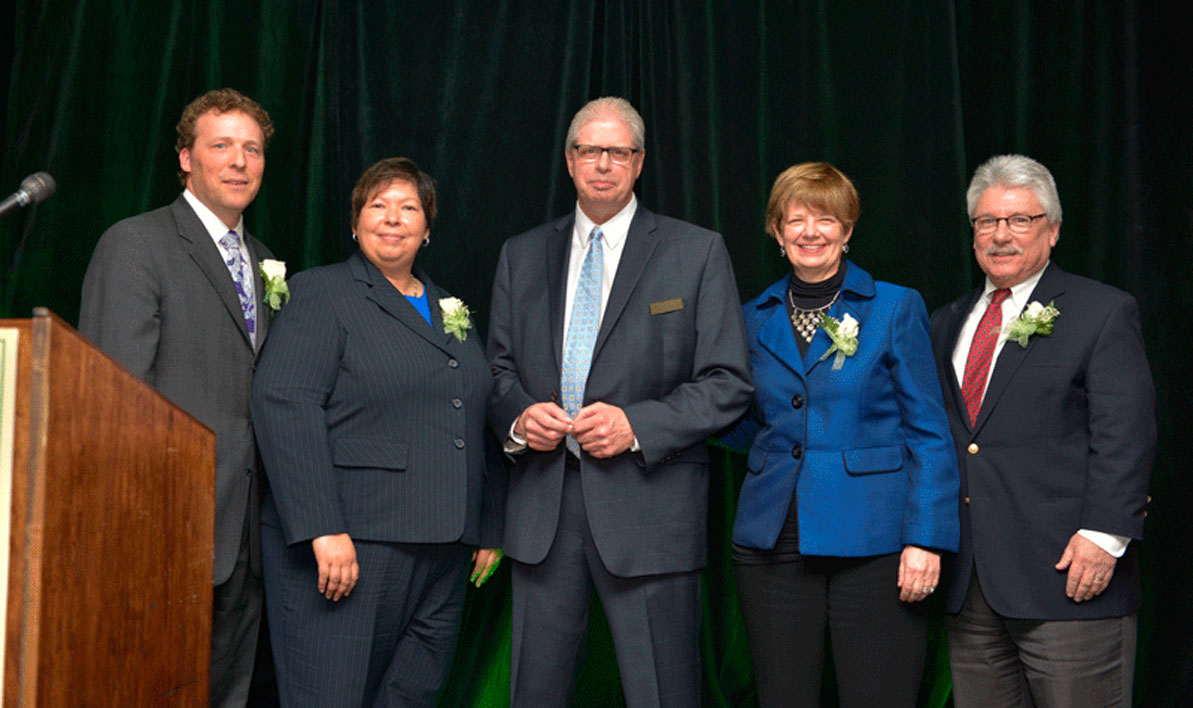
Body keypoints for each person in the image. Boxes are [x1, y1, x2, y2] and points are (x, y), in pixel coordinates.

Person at [487, 96, 753, 708]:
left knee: (662, 693)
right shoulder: (521, 255)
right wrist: (521, 417)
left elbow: (727, 381)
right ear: (569, 159)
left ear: (638, 163)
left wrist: (637, 425)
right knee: (534, 692)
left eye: (618, 152)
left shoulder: (695, 251)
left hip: (650, 507)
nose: (603, 164)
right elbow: (497, 371)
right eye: (590, 150)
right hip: (543, 511)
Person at [250, 157, 503, 707]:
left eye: (409, 207)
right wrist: (322, 527)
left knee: (410, 697)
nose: (393, 218)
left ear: (428, 228)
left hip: (443, 549)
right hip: (352, 544)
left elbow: (475, 413)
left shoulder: (449, 308)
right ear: (355, 222)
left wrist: (486, 522)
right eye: (378, 205)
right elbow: (285, 403)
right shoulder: (321, 292)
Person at [722, 161, 959, 708]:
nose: (811, 231)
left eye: (826, 218)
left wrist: (925, 538)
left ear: (847, 230)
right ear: (776, 232)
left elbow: (929, 432)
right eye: (795, 219)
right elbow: (743, 418)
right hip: (772, 542)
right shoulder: (751, 318)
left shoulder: (895, 307)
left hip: (875, 543)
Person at [929, 154, 1155, 707]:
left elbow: (1126, 435)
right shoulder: (944, 321)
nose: (1000, 236)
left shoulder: (1101, 311)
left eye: (1019, 220)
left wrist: (1104, 539)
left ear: (1051, 231)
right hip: (972, 585)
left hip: (1069, 578)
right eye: (987, 221)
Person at [79, 88, 274, 708]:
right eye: (222, 146)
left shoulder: (266, 261)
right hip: (162, 528)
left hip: (246, 533)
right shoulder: (136, 244)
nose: (240, 162)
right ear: (186, 159)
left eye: (252, 149)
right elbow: (115, 398)